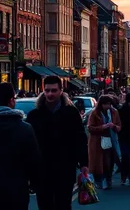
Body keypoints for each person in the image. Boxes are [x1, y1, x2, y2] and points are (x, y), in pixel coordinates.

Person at [27, 76, 89, 210]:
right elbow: (29, 145)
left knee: (63, 204)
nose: (50, 94)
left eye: (54, 90)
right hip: (41, 169)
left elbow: (80, 138)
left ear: (61, 91)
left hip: (64, 167)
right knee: (44, 204)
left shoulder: (71, 113)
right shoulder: (34, 115)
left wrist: (84, 163)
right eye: (47, 90)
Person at [87, 95, 122, 189]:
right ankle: (99, 181)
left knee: (109, 162)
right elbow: (90, 128)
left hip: (111, 140)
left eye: (110, 104)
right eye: (106, 104)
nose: (108, 106)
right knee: (98, 162)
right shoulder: (94, 113)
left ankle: (108, 179)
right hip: (97, 142)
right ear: (101, 104)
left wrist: (114, 126)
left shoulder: (114, 112)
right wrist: (102, 127)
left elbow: (119, 126)